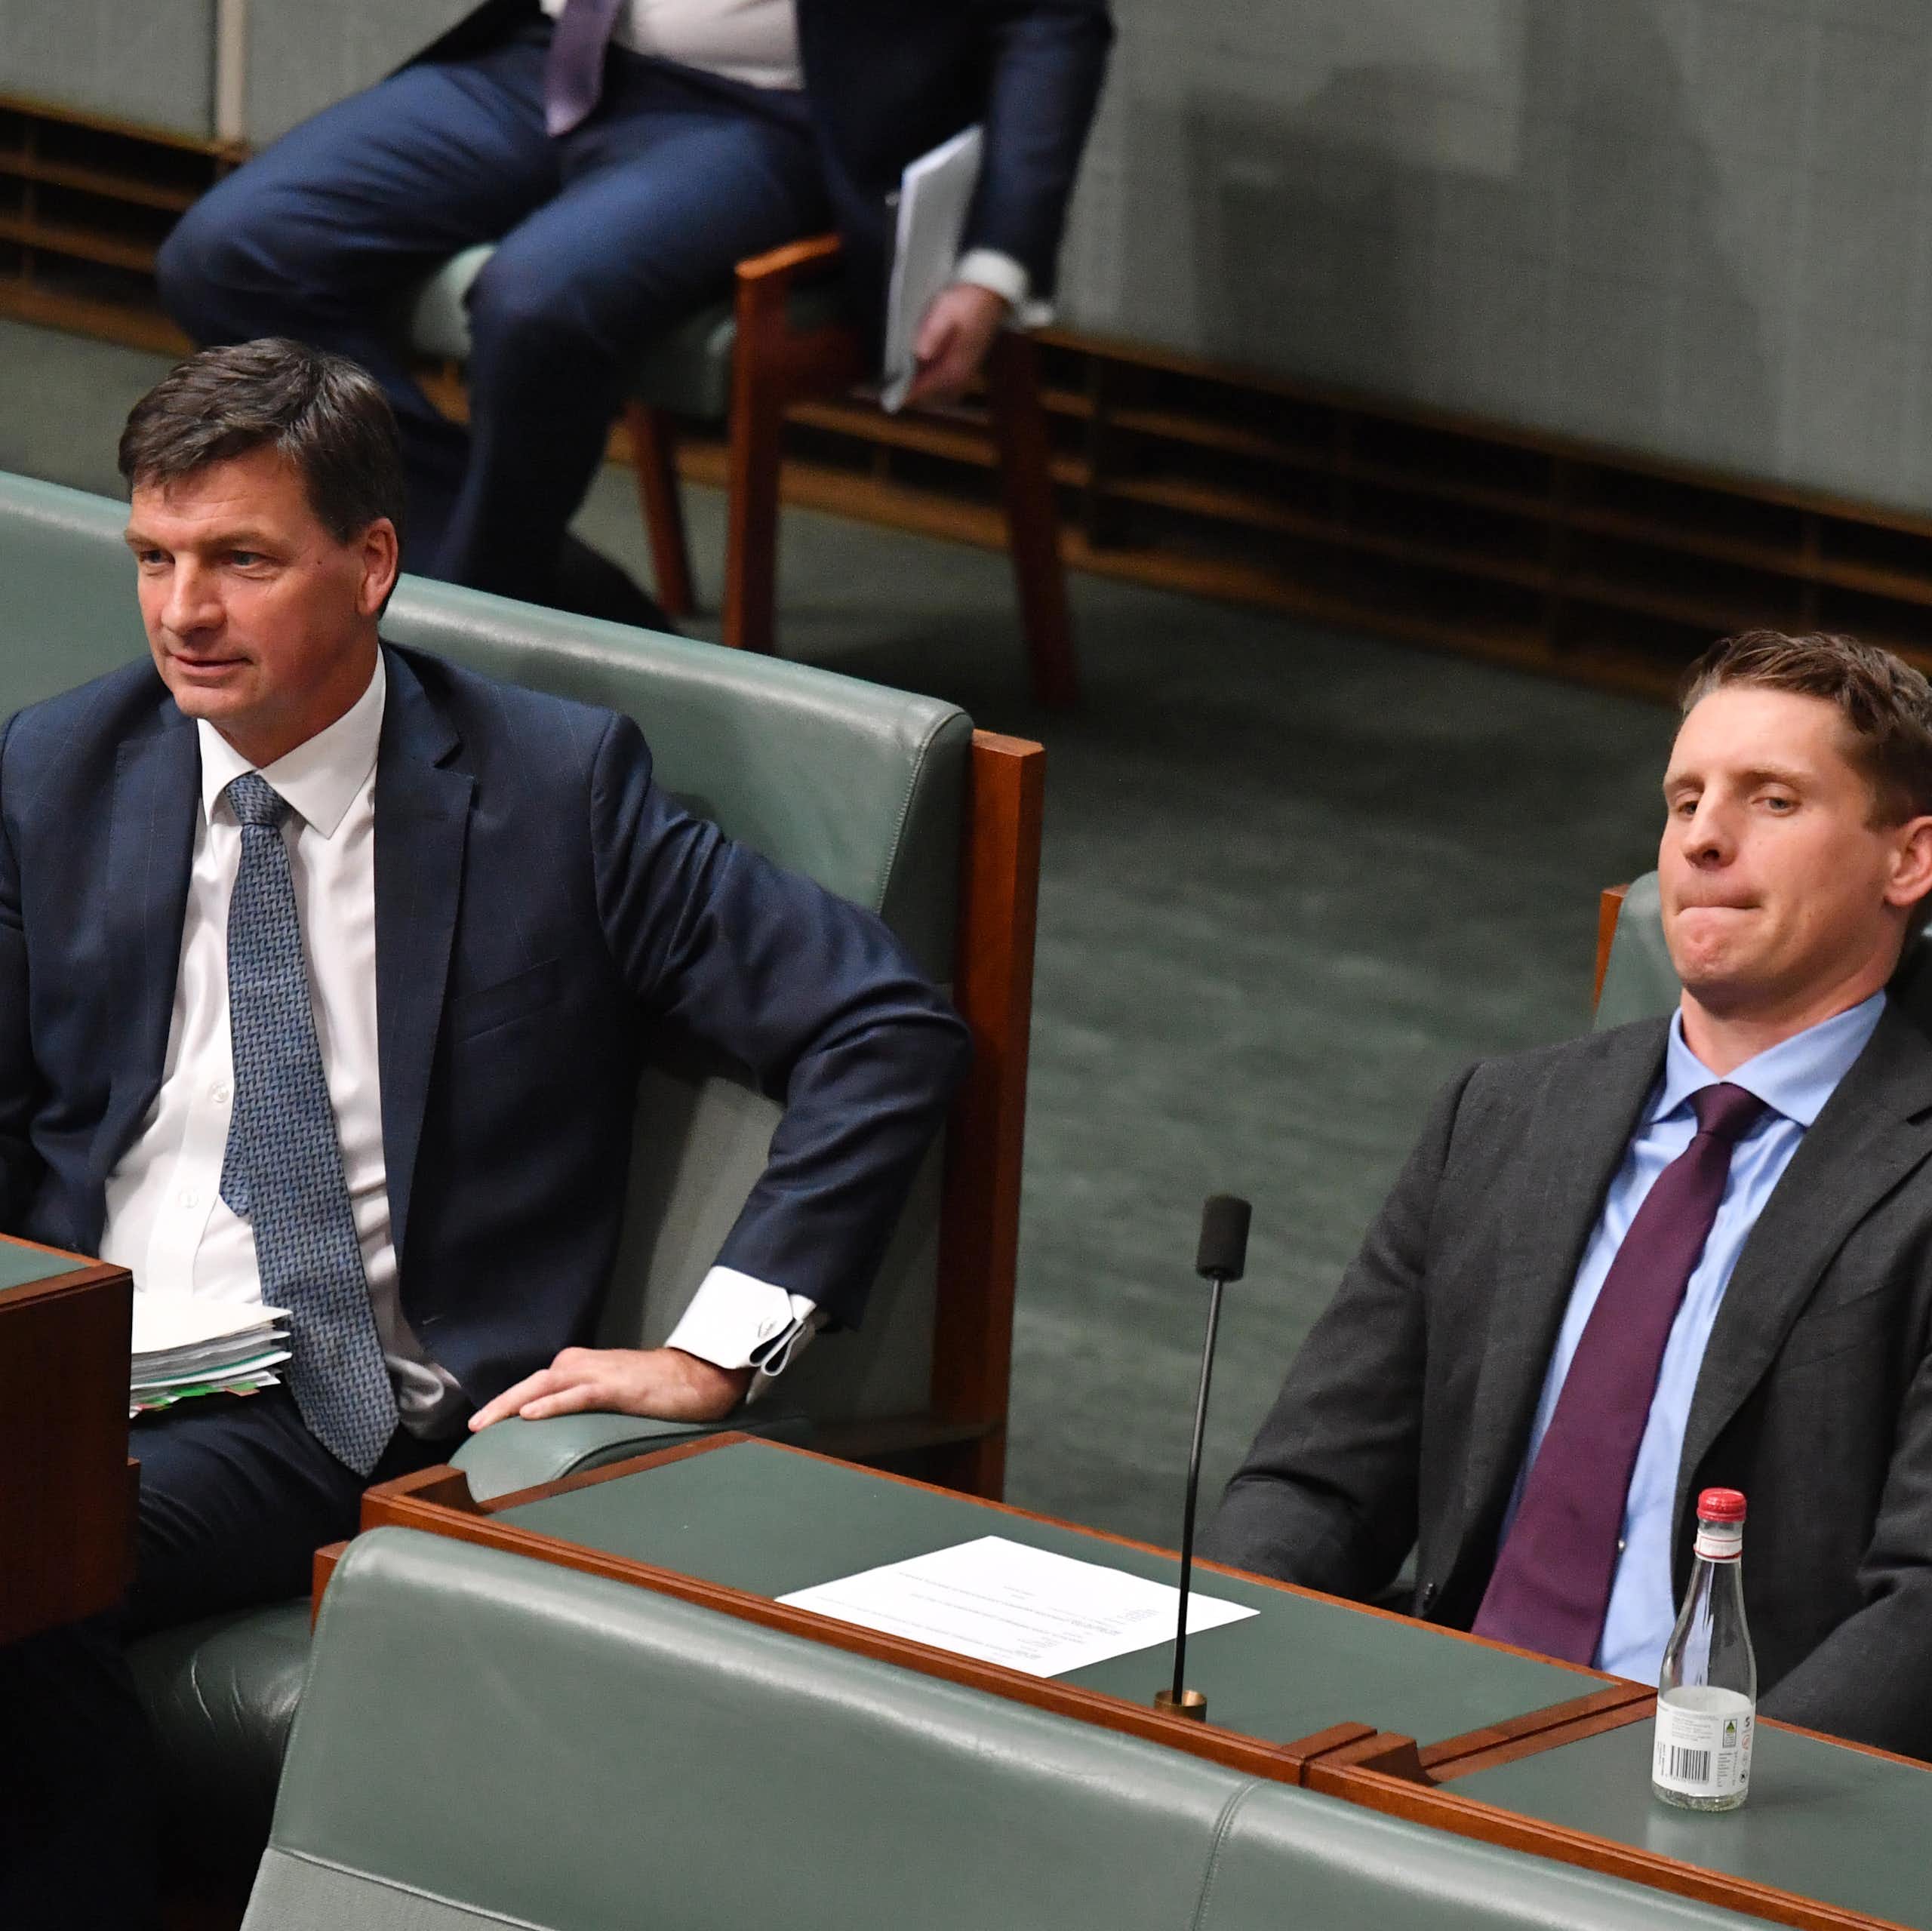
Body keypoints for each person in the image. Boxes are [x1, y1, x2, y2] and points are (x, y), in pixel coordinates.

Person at [0, 337, 970, 1925]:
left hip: (322, 1397)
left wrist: (718, 1349)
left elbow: (877, 1022)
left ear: (371, 561)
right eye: (156, 559)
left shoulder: (549, 790)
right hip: (63, 1355)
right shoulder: (61, 769)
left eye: (242, 560)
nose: (183, 613)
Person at [1207, 629, 1932, 1760]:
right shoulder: (1502, 1116)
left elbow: (1922, 1609)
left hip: (1731, 1807)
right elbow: (1319, 1481)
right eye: (1685, 796)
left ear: (1908, 860)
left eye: (1772, 799)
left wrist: (1718, 1807)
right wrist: (1227, 1673)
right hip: (1426, 1747)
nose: (1703, 835)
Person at [152, 0, 1113, 623]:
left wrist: (993, 265)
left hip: (759, 114)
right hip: (546, 62)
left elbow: (1055, 20)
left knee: (540, 302)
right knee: (229, 254)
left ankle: (476, 618)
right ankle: (509, 571)